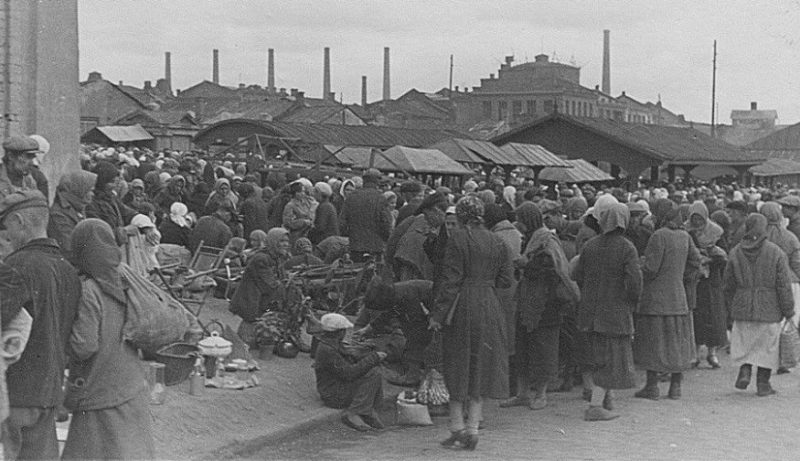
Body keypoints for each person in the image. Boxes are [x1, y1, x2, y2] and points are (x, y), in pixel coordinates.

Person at [61, 219, 154, 459]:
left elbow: (84, 346)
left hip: (99, 387)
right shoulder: (125, 278)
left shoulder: (90, 289)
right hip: (131, 382)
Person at [1, 190, 82, 460]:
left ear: (19, 221)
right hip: (49, 388)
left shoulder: (16, 266)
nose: (6, 235)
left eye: (7, 226)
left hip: (17, 391)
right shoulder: (67, 270)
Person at [429, 195, 513, 450]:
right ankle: (474, 428)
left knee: (457, 363)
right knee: (480, 365)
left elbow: (450, 281)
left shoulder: (458, 239)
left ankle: (456, 427)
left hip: (463, 304)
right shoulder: (498, 241)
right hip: (489, 304)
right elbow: (506, 280)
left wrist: (437, 315)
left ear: (463, 216)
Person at [501, 202, 577, 411]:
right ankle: (523, 393)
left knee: (544, 348)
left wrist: (527, 265)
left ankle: (541, 394)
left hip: (546, 303)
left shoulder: (546, 239)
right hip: (528, 299)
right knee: (523, 346)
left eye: (522, 220)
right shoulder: (531, 239)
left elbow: (554, 268)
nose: (519, 224)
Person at [572, 203, 642, 421]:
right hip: (614, 312)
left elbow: (577, 274)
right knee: (610, 359)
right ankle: (595, 406)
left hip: (590, 311)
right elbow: (634, 283)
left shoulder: (590, 245)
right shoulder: (627, 248)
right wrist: (631, 303)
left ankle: (606, 399)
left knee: (596, 357)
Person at [634, 199, 701, 400]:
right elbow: (696, 261)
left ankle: (652, 386)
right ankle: (675, 387)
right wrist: (683, 276)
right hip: (678, 297)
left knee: (654, 342)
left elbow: (651, 268)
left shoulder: (658, 236)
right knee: (676, 344)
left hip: (655, 299)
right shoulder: (685, 236)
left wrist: (640, 263)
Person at [725, 213, 795, 396]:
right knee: (767, 348)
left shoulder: (735, 251)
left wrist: (731, 306)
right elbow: (783, 285)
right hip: (769, 307)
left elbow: (728, 284)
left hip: (742, 305)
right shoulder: (776, 252)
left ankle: (745, 370)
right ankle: (763, 384)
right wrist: (789, 310)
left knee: (745, 344)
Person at [314, 313, 387, 431]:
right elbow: (349, 373)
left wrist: (363, 353)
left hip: (337, 388)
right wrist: (373, 358)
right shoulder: (327, 350)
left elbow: (349, 360)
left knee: (374, 372)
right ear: (340, 332)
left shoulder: (330, 345)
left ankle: (367, 411)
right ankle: (355, 412)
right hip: (333, 394)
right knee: (373, 374)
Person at [229, 228, 290, 348]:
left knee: (252, 333)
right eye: (282, 241)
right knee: (245, 341)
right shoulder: (261, 258)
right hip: (251, 300)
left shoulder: (274, 257)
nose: (286, 244)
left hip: (258, 300)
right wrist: (287, 282)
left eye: (287, 241)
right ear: (273, 241)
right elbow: (270, 284)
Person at [759, 202, 800, 373]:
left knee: (769, 323)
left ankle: (767, 358)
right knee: (788, 321)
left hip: (765, 283)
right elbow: (797, 263)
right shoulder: (790, 237)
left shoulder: (758, 237)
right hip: (790, 282)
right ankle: (784, 359)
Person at [685, 201, 727, 369]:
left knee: (713, 316)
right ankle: (695, 353)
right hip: (695, 280)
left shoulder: (716, 232)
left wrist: (711, 259)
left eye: (699, 218)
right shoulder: (686, 232)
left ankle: (712, 352)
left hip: (712, 281)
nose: (696, 222)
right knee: (697, 316)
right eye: (693, 218)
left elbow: (725, 255)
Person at [339, 169, 392, 263]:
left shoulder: (351, 197)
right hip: (375, 247)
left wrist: (351, 234)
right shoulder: (380, 198)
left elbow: (342, 223)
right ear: (377, 181)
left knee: (356, 273)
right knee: (374, 274)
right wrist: (385, 239)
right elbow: (386, 224)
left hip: (355, 246)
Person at [47, 170, 97, 263]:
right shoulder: (58, 214)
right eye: (90, 190)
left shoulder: (77, 206)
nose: (92, 194)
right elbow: (68, 249)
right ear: (79, 189)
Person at [0, 136, 40, 201]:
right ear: (11, 156)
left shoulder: (29, 181)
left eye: (32, 157)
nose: (31, 162)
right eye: (27, 157)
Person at [282, 179, 318, 246]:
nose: (303, 194)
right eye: (301, 192)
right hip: (296, 235)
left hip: (307, 234)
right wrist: (303, 222)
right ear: (295, 193)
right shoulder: (290, 206)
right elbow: (288, 222)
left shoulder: (307, 202)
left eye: (304, 192)